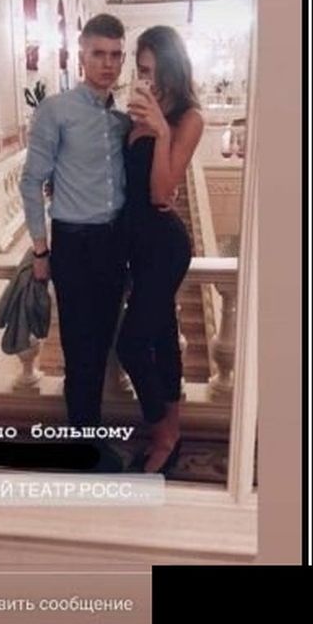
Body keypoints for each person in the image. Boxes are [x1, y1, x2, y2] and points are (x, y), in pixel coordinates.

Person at [19, 14, 130, 426]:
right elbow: (32, 181)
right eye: (99, 53)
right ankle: (84, 437)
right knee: (80, 346)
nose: (108, 63)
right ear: (81, 56)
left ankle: (89, 430)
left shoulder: (122, 119)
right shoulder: (56, 110)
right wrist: (40, 249)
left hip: (114, 243)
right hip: (74, 244)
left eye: (116, 55)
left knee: (103, 344)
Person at [116, 26, 204, 474]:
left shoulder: (189, 117)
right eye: (141, 70)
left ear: (171, 66)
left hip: (165, 246)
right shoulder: (137, 114)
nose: (146, 79)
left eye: (152, 69)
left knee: (131, 344)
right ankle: (171, 431)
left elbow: (160, 192)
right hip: (136, 244)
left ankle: (163, 432)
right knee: (163, 337)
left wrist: (161, 133)